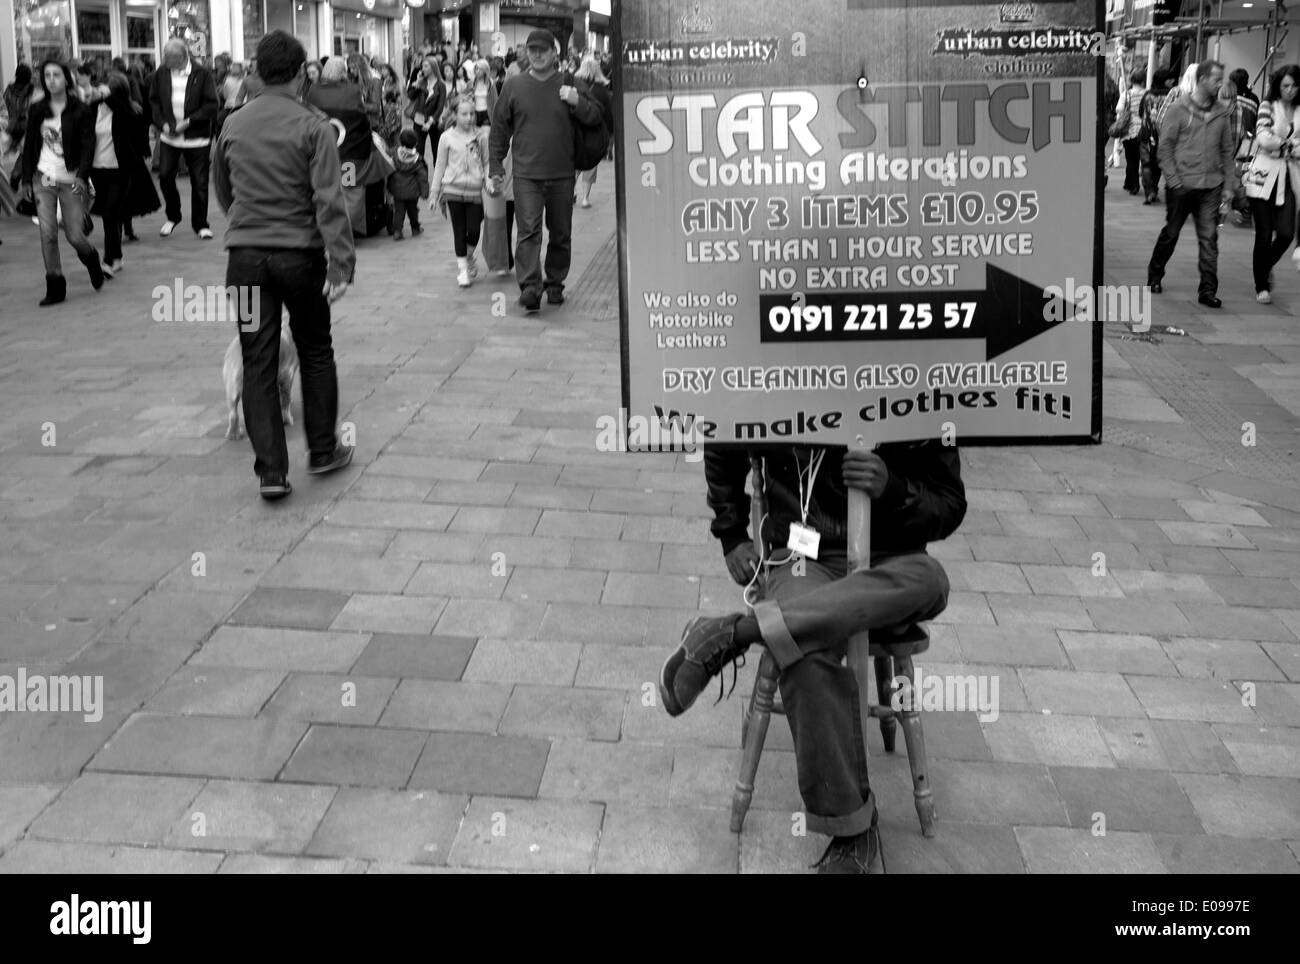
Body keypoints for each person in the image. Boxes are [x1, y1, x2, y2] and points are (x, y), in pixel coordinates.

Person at [659, 442, 965, 874]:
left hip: (893, 559)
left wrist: (892, 487)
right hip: (805, 557)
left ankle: (742, 631)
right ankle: (852, 830)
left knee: (932, 582)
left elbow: (949, 505)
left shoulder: (917, 377)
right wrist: (731, 532)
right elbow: (722, 431)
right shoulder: (775, 373)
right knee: (800, 653)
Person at [212, 29, 356, 501]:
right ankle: (322, 450)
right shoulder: (314, 125)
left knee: (257, 361)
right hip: (299, 258)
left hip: (247, 260)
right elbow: (330, 201)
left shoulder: (232, 125)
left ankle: (271, 472)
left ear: (256, 71)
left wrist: (245, 223)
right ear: (301, 74)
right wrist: (340, 264)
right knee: (315, 349)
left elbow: (225, 190)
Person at [489, 28, 603, 313]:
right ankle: (530, 286)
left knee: (560, 232)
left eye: (543, 50)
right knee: (528, 231)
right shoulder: (513, 86)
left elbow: (596, 117)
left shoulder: (571, 83)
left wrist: (576, 102)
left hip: (563, 173)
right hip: (526, 174)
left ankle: (555, 283)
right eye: (532, 50)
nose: (537, 55)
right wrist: (495, 167)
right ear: (526, 53)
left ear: (555, 54)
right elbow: (499, 129)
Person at [1147, 60, 1236, 309]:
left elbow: (1227, 151)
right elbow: (1164, 147)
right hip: (1182, 186)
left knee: (1209, 238)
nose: (1221, 84)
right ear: (1202, 79)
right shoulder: (1178, 109)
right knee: (1171, 233)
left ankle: (1207, 290)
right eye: (1217, 79)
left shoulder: (1221, 112)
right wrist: (1173, 180)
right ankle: (1154, 275)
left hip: (1211, 186)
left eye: (1222, 79)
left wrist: (1228, 186)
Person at [19, 59, 102, 305]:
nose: (51, 79)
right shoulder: (37, 109)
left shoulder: (80, 109)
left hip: (71, 180)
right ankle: (55, 285)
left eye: (56, 75)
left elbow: (89, 146)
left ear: (66, 79)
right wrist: (25, 180)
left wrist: (82, 175)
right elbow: (30, 145)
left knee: (75, 236)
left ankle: (91, 258)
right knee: (48, 234)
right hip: (43, 177)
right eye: (47, 75)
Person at [90, 71, 159, 277]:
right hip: (98, 169)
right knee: (108, 216)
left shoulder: (127, 110)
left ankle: (109, 260)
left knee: (112, 213)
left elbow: (128, 120)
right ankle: (117, 256)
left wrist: (108, 97)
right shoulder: (95, 109)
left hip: (120, 170)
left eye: (109, 89)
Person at [149, 37, 219, 238]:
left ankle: (200, 224)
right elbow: (153, 101)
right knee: (164, 176)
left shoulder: (202, 74)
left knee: (199, 182)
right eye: (165, 56)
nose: (165, 60)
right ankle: (173, 216)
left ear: (182, 57)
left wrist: (187, 122)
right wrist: (161, 123)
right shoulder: (161, 73)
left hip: (197, 138)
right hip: (169, 136)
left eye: (169, 57)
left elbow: (211, 105)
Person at [1245, 65, 1300, 304]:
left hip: (1290, 176)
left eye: (1295, 85)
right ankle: (1261, 285)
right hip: (1264, 176)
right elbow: (1263, 137)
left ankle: (1263, 267)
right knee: (1264, 233)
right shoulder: (1268, 106)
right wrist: (1289, 146)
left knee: (1287, 233)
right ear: (1278, 85)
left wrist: (1285, 146)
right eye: (1286, 85)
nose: (1290, 90)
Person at [433, 97, 489, 286]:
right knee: (459, 230)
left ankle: (469, 255)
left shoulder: (481, 136)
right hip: (452, 189)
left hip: (474, 189)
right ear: (455, 115)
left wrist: (488, 179)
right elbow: (440, 166)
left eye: (472, 113)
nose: (469, 118)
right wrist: (434, 193)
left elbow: (487, 162)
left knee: (473, 230)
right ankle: (463, 271)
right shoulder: (446, 138)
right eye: (464, 114)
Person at [573, 54, 612, 209]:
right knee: (590, 166)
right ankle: (585, 198)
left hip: (576, 131)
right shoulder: (601, 90)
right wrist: (610, 133)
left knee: (574, 164)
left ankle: (571, 192)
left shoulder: (575, 85)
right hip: (594, 132)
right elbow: (608, 113)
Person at [388, 127, 429, 240]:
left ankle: (397, 231)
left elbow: (386, 157)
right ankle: (415, 228)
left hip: (397, 190)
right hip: (412, 192)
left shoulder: (394, 153)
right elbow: (423, 177)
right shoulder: (417, 160)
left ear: (400, 141)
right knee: (413, 210)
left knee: (399, 211)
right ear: (415, 144)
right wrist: (424, 192)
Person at [1118, 67, 1146, 195]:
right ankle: (1129, 183)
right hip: (1144, 130)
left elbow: (1119, 109)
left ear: (1131, 80)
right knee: (1138, 157)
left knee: (1130, 158)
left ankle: (1134, 184)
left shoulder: (1126, 94)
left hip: (1129, 130)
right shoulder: (1147, 94)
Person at [470, 58, 496, 127]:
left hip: (487, 113)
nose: (477, 71)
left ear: (484, 70)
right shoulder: (473, 82)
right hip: (475, 113)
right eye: (476, 69)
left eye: (479, 69)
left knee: (485, 134)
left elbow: (495, 100)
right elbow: (468, 95)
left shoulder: (490, 83)